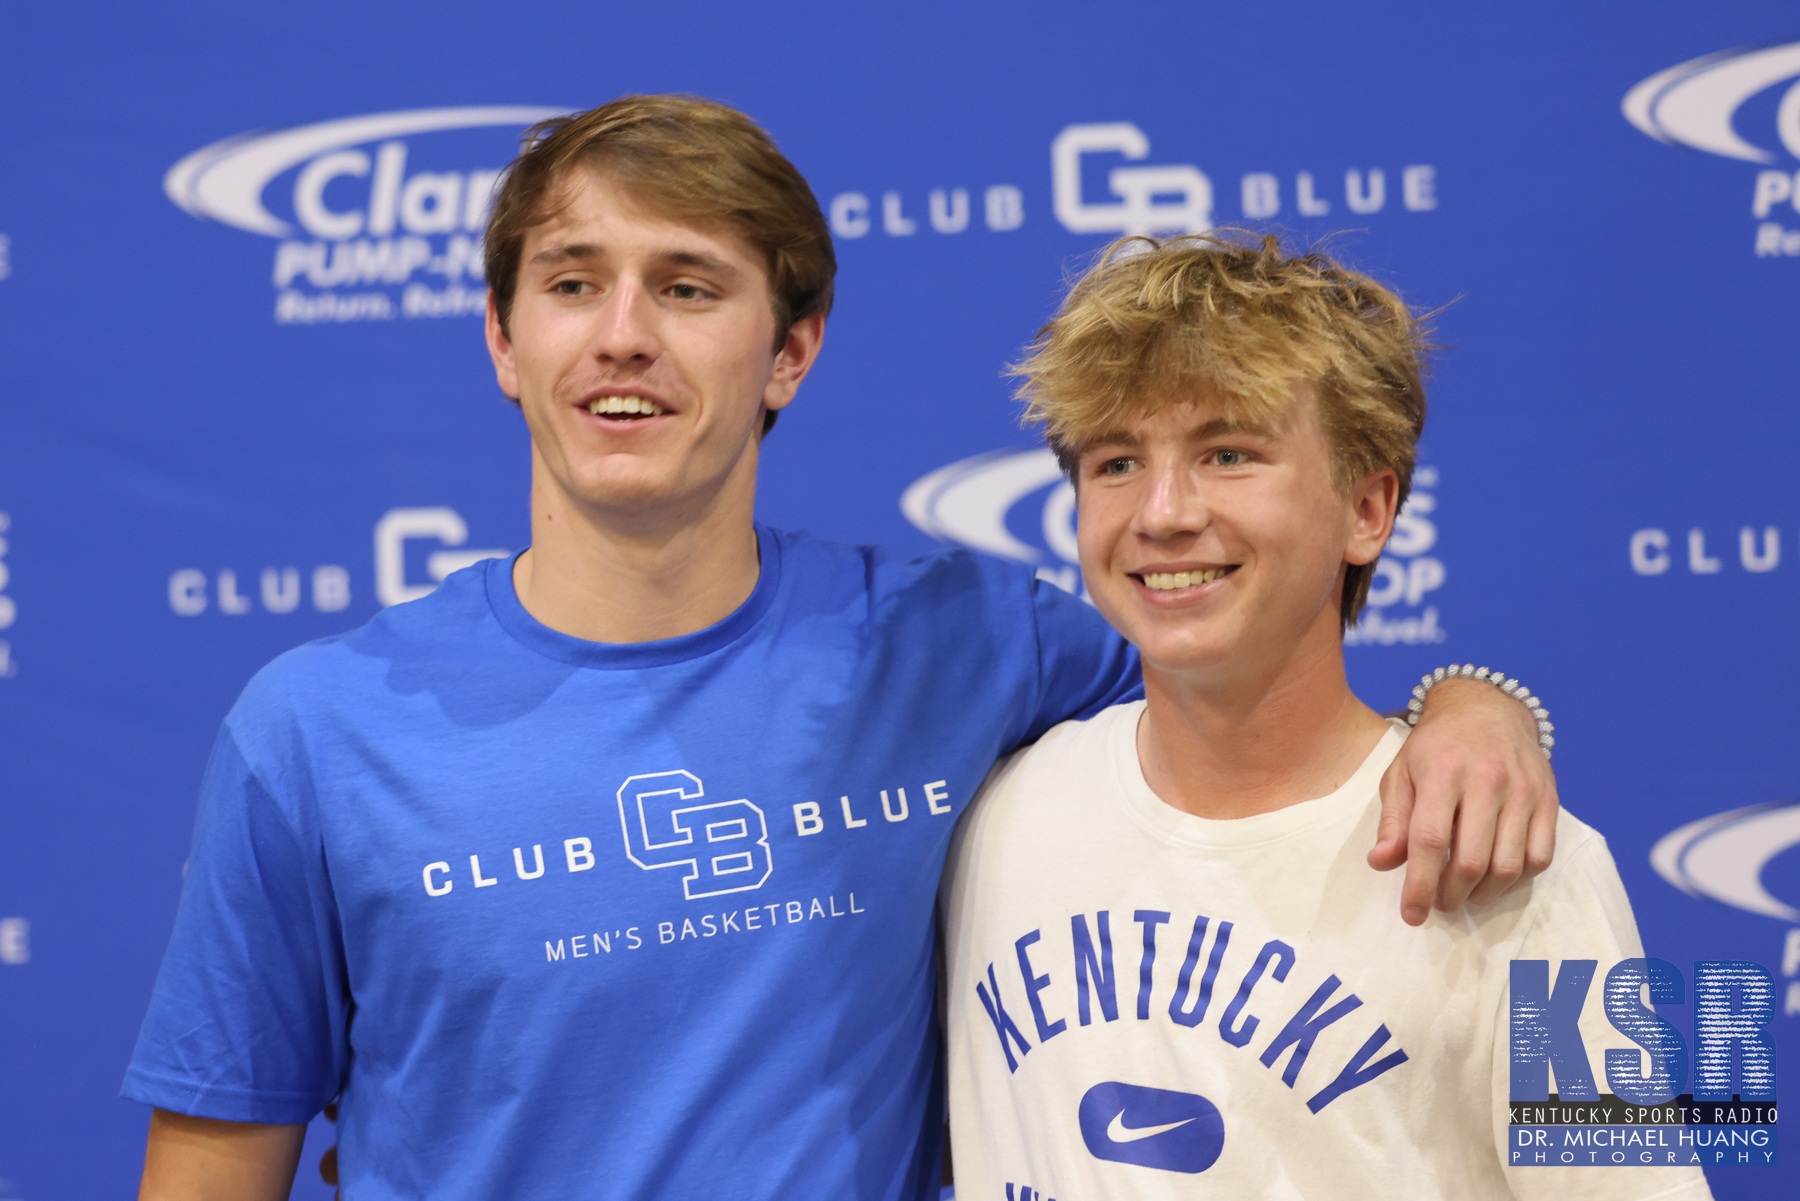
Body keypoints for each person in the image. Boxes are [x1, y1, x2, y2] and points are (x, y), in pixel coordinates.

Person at [125, 97, 1557, 1201]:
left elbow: (1255, 689)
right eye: (573, 284)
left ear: (791, 351)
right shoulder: (314, 730)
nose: (624, 337)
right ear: (503, 338)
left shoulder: (974, 649)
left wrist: (1478, 704)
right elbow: (207, 1167)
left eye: (688, 288)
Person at [940, 234, 1710, 1199]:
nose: (1164, 511)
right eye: (1117, 462)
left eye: (1229, 453)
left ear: (1369, 508)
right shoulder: (989, 814)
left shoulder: (1521, 873)